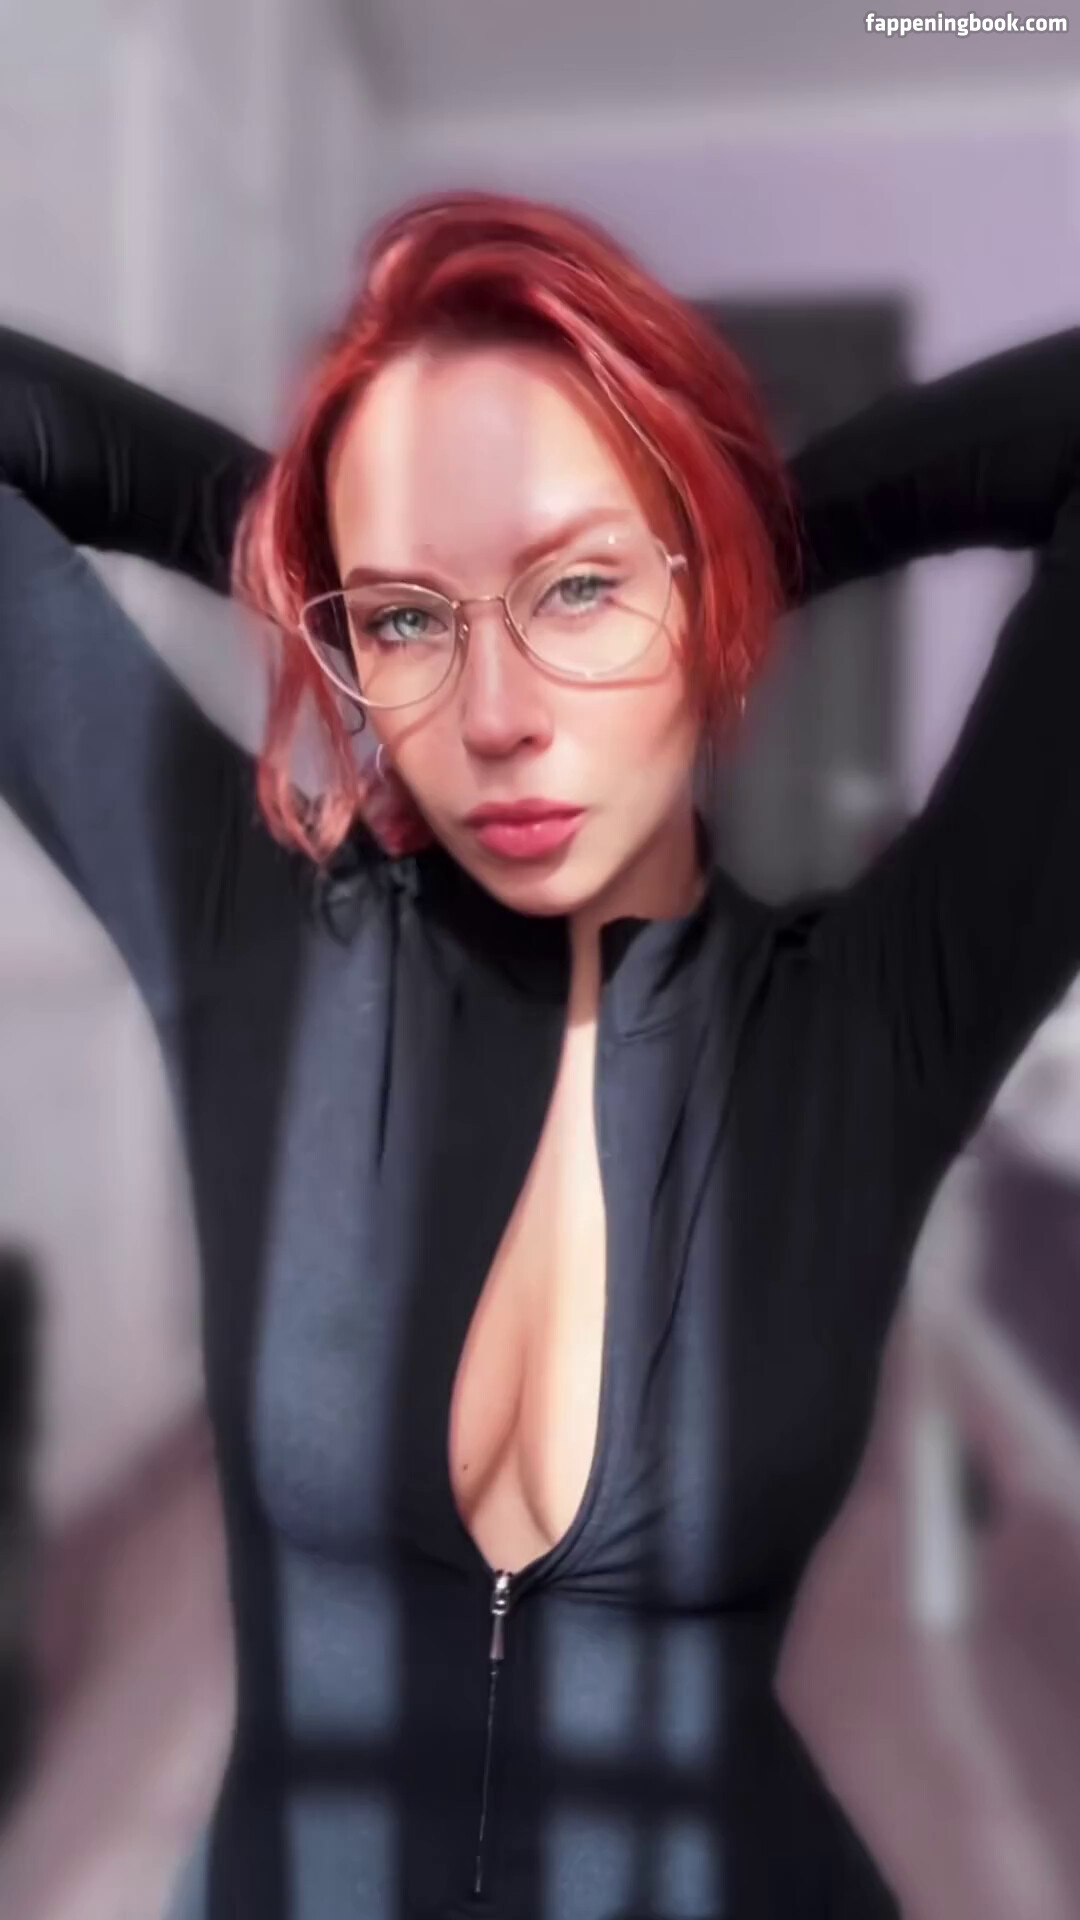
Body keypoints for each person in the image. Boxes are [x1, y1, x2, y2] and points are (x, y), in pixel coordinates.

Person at [1, 188, 1079, 1920]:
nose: (497, 716)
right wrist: (307, 535)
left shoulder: (883, 1019)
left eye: (580, 588)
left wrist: (749, 531)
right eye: (407, 623)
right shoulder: (258, 947)